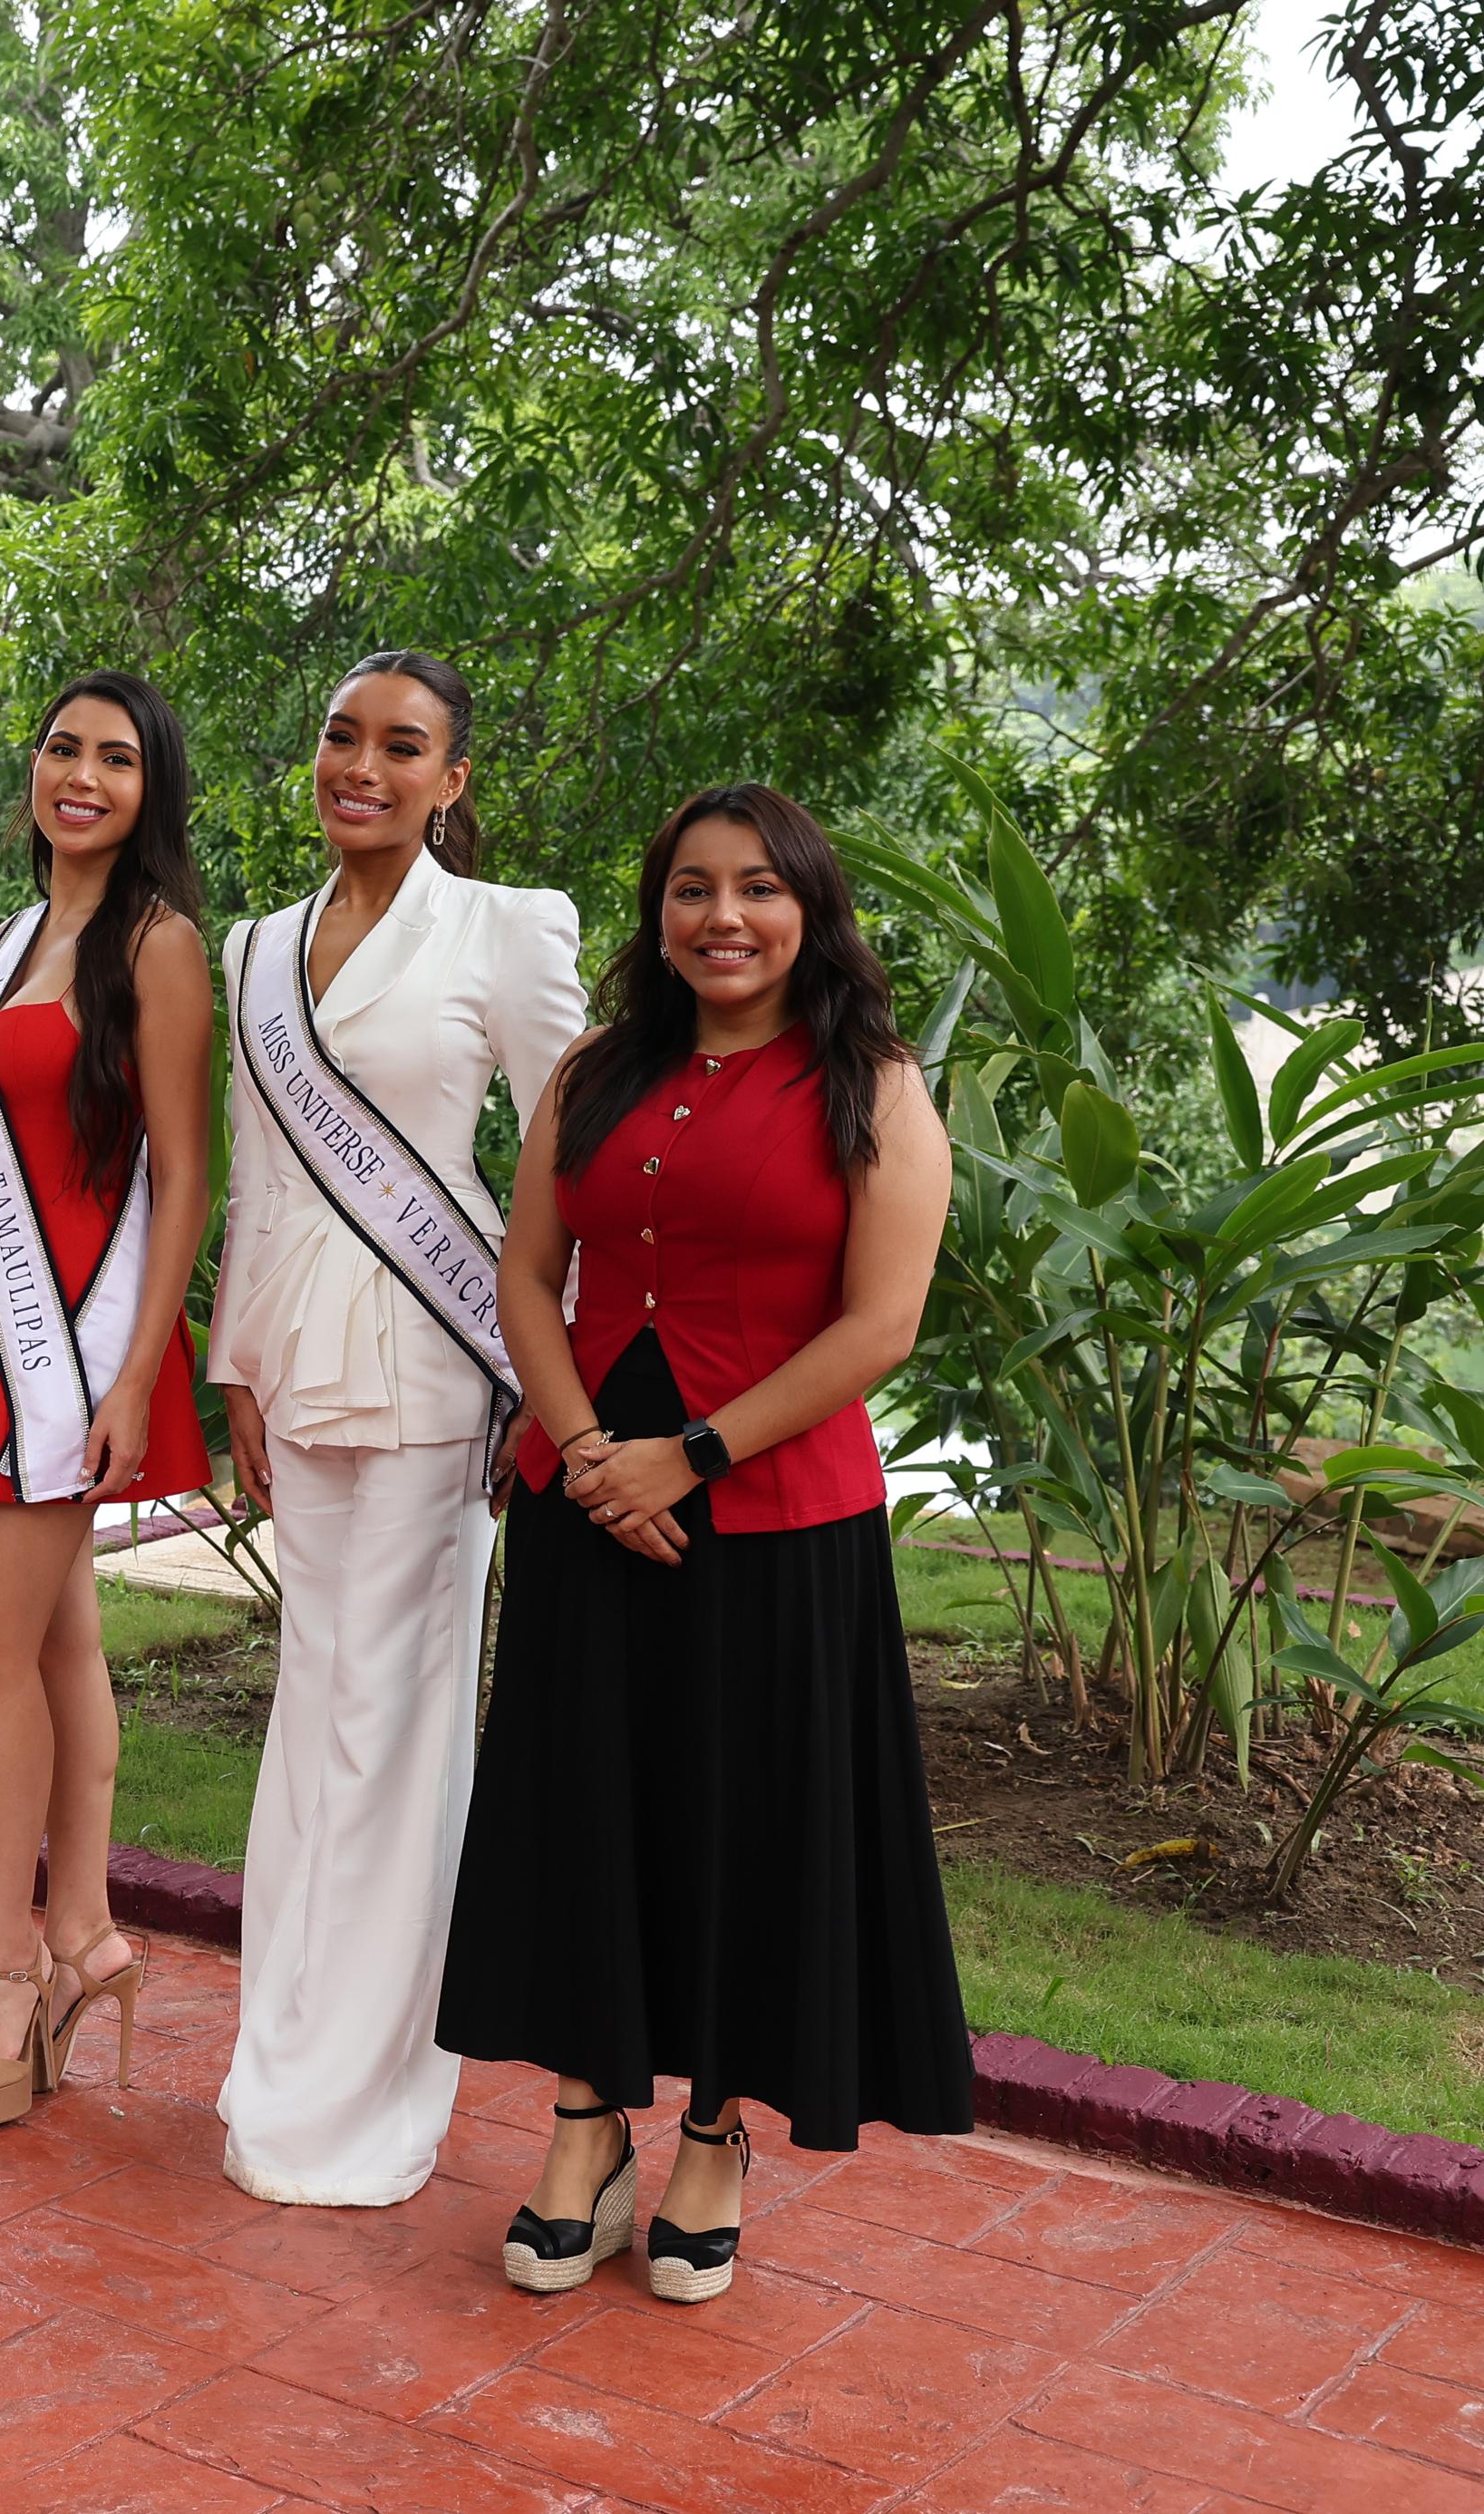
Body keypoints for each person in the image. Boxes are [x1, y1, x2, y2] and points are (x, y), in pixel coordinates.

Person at [440, 782, 967, 2305]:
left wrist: (698, 1453)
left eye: (756, 889)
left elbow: (884, 1320)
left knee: (744, 1820)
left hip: (779, 1522)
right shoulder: (597, 1071)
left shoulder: (869, 1077)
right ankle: (588, 2122)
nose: (722, 916)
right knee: (587, 1809)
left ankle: (719, 2132)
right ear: (656, 914)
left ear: (810, 909)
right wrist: (593, 1455)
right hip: (588, 1502)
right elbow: (529, 1270)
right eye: (690, 889)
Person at [208, 649, 586, 2206]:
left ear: (453, 778)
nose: (361, 764)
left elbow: (575, 1157)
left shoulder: (507, 928)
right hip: (297, 1364)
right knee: (314, 1708)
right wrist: (235, 1363)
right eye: (341, 736)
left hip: (440, 1370)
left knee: (402, 1724)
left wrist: (551, 1383)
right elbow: (256, 1173)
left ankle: (367, 2093)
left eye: (402, 745)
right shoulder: (256, 945)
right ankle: (280, 2054)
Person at [0, 670, 215, 2133]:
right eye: (61, 747)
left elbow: (184, 1174)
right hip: (1, 1328)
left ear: (150, 788)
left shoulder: (161, 947)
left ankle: (1, 1971)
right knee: (58, 1638)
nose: (81, 774)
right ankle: (88, 1932)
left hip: (86, 1344)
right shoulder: (17, 936)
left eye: (115, 757)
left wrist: (130, 1364)